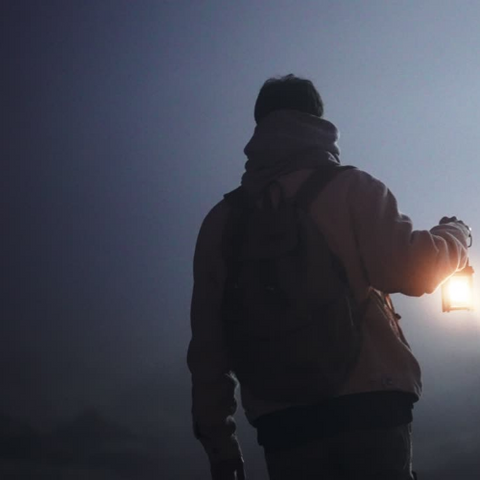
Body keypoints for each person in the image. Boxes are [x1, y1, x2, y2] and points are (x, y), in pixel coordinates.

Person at [187, 74, 471, 480]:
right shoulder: (352, 188)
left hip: (284, 423)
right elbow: (412, 270)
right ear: (319, 122)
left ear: (259, 125)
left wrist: (220, 445)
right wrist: (456, 235)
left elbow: (208, 348)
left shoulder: (222, 222)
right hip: (370, 405)